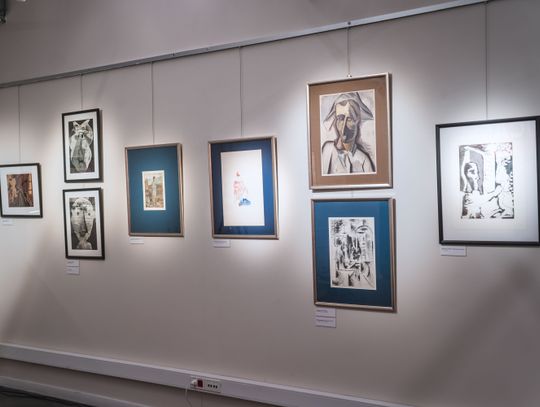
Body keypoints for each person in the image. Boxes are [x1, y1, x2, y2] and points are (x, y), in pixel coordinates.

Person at [321, 92, 375, 174]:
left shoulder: (364, 160)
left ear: (357, 121)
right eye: (340, 118)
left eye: (349, 119)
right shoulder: (327, 150)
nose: (343, 126)